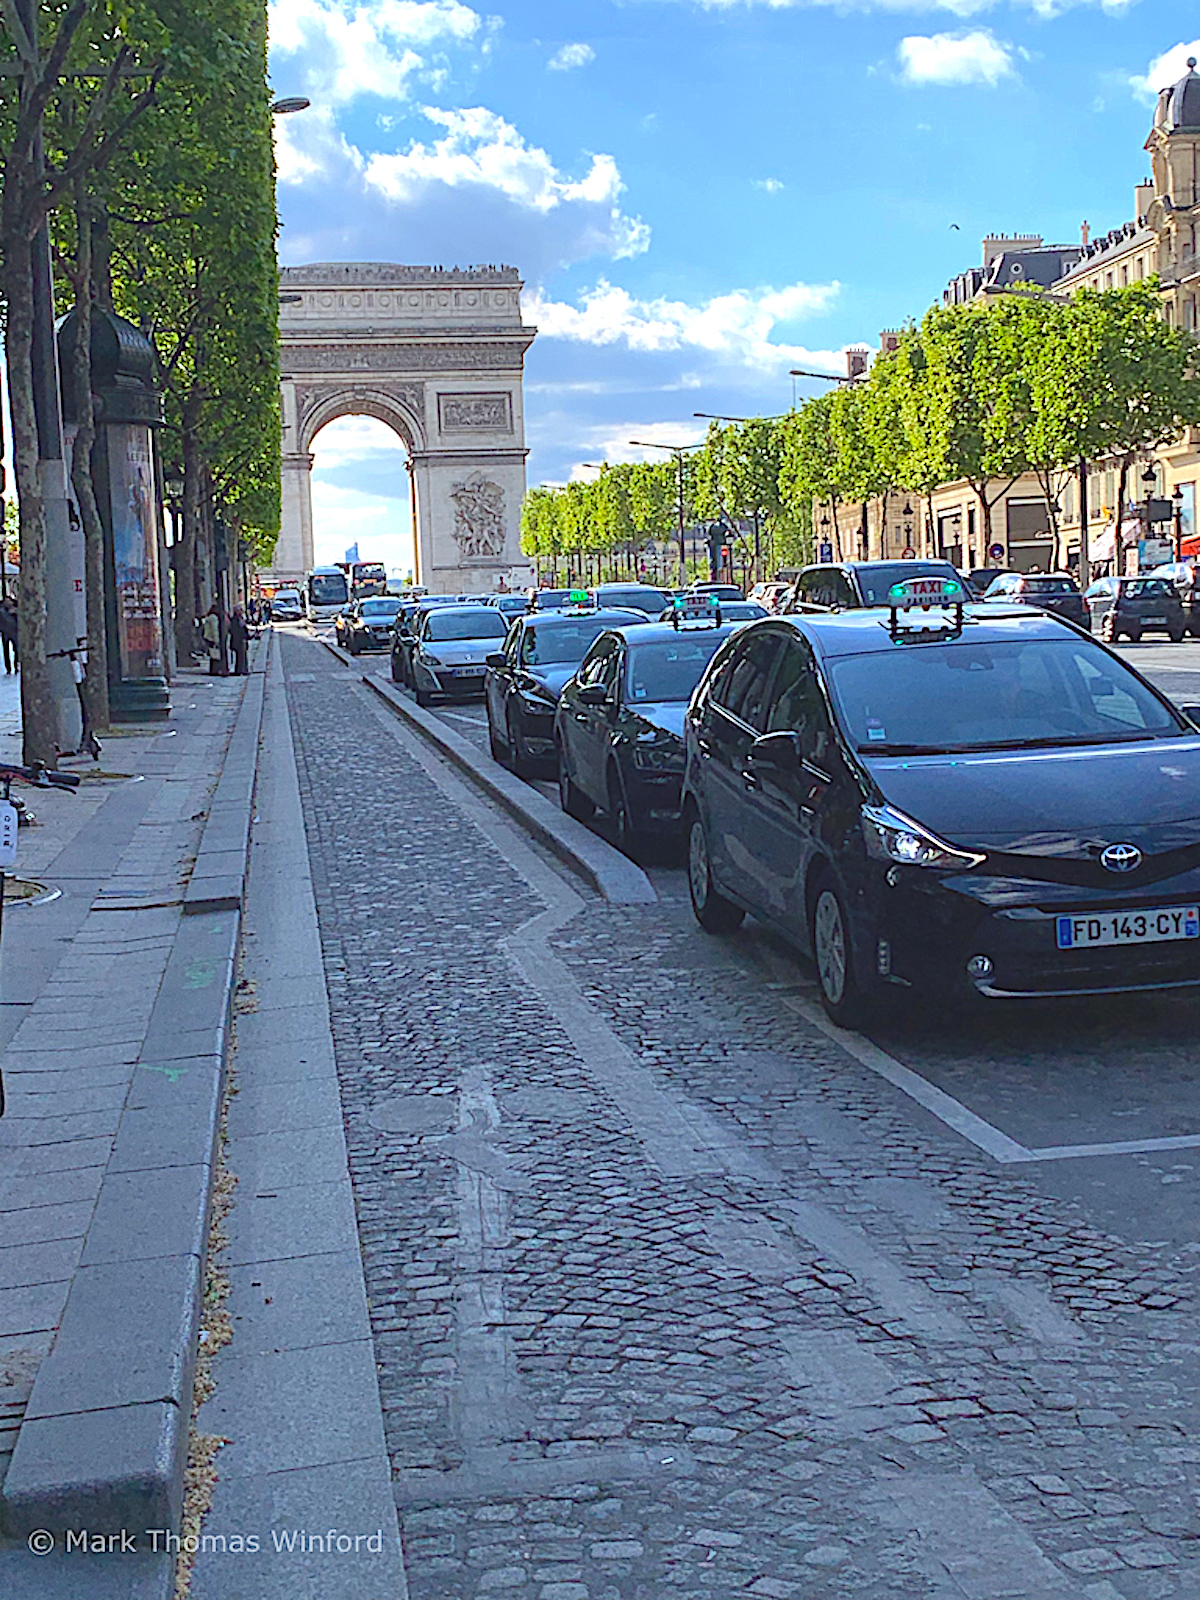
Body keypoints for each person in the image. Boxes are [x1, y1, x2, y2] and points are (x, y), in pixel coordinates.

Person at [201, 604, 225, 675]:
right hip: (212, 638)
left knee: (213, 655)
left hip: (208, 638)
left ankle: (213, 669)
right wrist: (216, 640)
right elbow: (214, 630)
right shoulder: (214, 618)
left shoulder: (209, 617)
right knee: (215, 655)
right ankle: (215, 670)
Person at [229, 606, 249, 676]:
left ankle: (243, 670)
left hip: (242, 640)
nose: (241, 611)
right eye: (239, 610)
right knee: (240, 657)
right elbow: (234, 630)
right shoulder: (235, 620)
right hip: (238, 641)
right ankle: (240, 670)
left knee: (243, 656)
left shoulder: (241, 618)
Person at [0, 594, 18, 674]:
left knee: (16, 650)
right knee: (6, 651)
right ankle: (8, 668)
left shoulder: (16, 608)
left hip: (14, 631)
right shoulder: (1, 610)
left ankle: (16, 666)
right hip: (5, 632)